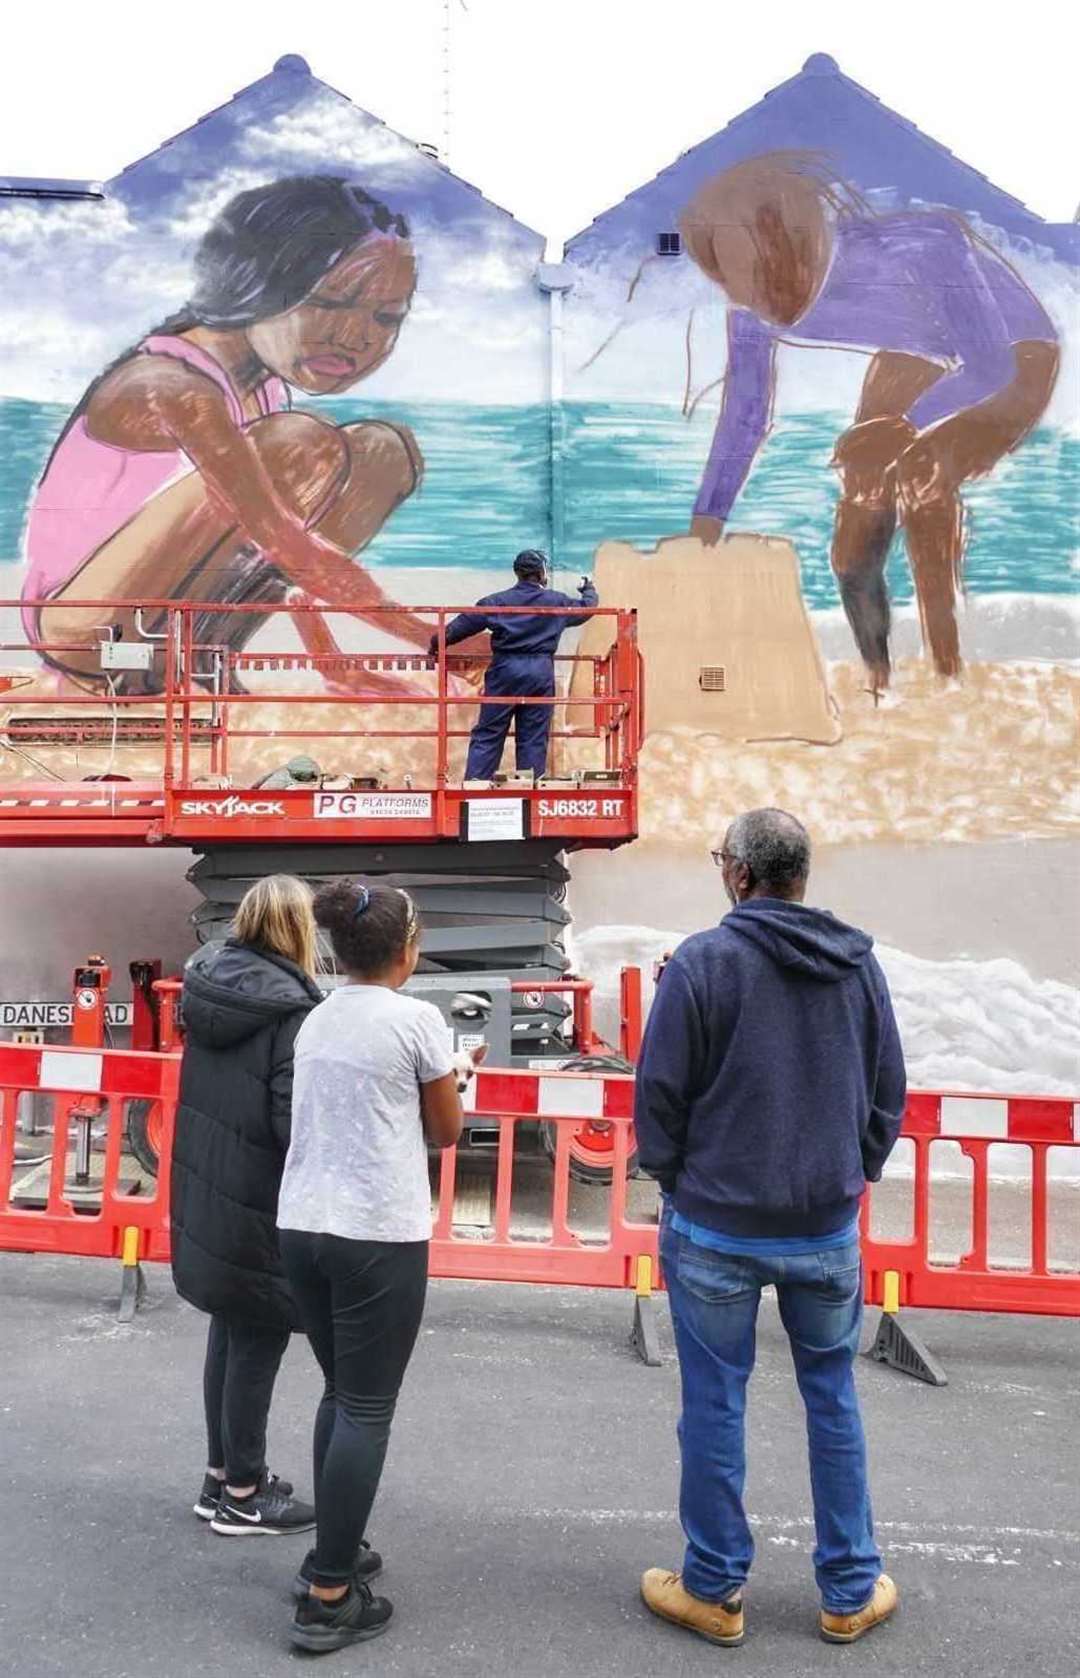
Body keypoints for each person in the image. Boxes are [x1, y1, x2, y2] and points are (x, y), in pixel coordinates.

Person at [634, 807, 906, 1648]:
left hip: (714, 1226)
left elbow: (660, 1099)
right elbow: (887, 1092)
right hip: (825, 1230)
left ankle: (714, 1589)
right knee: (833, 1398)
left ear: (740, 876)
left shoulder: (705, 962)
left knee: (714, 1402)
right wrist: (848, 1174)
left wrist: (680, 1182)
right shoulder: (857, 965)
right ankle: (849, 1590)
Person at [20, 176, 434, 696]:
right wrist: (432, 638)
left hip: (159, 620)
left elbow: (291, 556)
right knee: (300, 445)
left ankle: (199, 660)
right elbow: (284, 544)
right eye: (330, 302)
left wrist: (332, 661)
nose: (357, 337)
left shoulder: (260, 388)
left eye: (385, 317)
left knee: (381, 452)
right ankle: (161, 667)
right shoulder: (168, 384)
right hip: (82, 627)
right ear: (260, 283)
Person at [678, 153, 1059, 693]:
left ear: (790, 248)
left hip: (1016, 353)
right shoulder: (748, 308)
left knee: (921, 474)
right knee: (858, 515)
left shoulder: (923, 244)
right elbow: (744, 415)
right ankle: (878, 677)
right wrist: (707, 520)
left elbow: (989, 365)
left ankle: (947, 671)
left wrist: (903, 426)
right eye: (728, 283)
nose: (746, 302)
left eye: (752, 280)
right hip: (918, 354)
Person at [277, 880, 485, 1654]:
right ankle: (330, 1594)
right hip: (378, 1232)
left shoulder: (318, 1016)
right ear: (409, 948)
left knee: (341, 1391)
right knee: (368, 1405)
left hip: (303, 1224)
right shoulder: (418, 1020)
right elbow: (444, 1130)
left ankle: (334, 1545)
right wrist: (459, 1077)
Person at [170, 874, 324, 1538]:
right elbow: (291, 1123)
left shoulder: (209, 987)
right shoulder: (290, 1012)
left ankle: (218, 1478)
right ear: (296, 929)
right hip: (259, 1199)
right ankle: (244, 1492)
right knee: (256, 1337)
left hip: (208, 1189)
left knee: (228, 1335)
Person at [432, 549, 598, 781]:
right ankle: (528, 788)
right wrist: (589, 589)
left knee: (489, 731)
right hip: (540, 672)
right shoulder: (556, 601)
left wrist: (436, 643)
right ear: (541, 573)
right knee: (533, 735)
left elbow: (462, 625)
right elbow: (586, 609)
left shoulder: (497, 601)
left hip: (505, 671)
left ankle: (476, 786)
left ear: (517, 573)